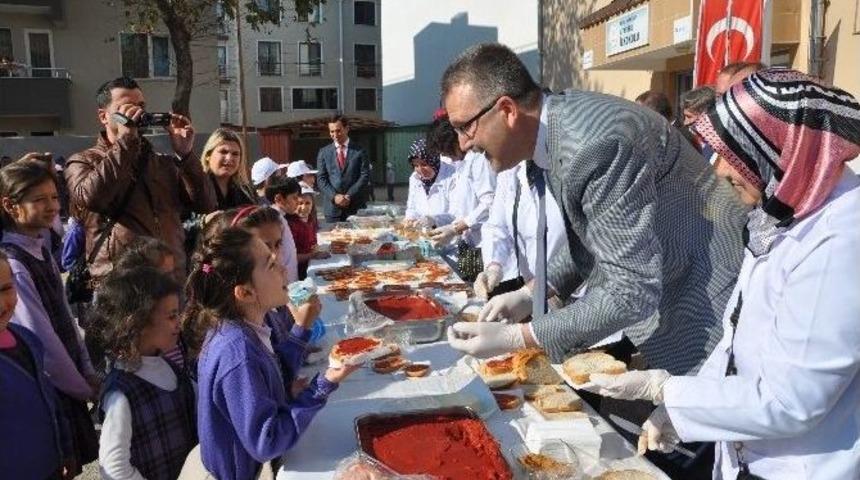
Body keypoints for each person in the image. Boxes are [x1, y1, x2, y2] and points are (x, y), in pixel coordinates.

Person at [586, 68, 860, 479]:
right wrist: (679, 411)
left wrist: (665, 389)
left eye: (735, 153)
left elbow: (790, 401)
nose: (720, 170)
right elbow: (734, 340)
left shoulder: (840, 237)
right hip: (743, 453)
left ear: (784, 149)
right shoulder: (780, 214)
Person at [442, 43, 746, 378]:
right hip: (675, 292)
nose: (463, 145)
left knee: (704, 423)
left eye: (464, 127)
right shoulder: (553, 133)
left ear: (507, 110)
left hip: (708, 303)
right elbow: (592, 234)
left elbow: (632, 290)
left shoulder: (594, 145)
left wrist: (521, 337)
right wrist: (531, 293)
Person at [192, 227, 358, 479]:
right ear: (245, 293)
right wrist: (322, 386)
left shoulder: (247, 326)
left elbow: (272, 371)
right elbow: (266, 442)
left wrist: (301, 331)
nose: (282, 265)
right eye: (270, 264)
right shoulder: (238, 353)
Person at [0, 159, 99, 474]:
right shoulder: (13, 263)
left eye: (54, 197)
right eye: (39, 199)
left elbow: (65, 323)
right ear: (10, 205)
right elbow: (43, 340)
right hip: (50, 390)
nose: (52, 206)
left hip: (68, 382)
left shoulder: (40, 249)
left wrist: (86, 368)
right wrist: (83, 387)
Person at [64, 76, 215, 283]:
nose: (137, 113)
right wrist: (126, 140)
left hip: (172, 277)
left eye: (141, 106)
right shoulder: (83, 162)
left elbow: (205, 203)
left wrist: (186, 155)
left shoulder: (161, 163)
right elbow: (93, 198)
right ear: (104, 117)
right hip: (122, 283)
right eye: (127, 107)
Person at [96, 266, 197, 480]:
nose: (179, 323)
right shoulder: (121, 393)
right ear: (138, 323)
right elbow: (114, 468)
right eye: (171, 316)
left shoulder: (172, 370)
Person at [0, 250, 74, 480]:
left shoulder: (27, 339)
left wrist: (66, 450)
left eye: (5, 289)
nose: (1, 303)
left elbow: (50, 401)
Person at [476, 160, 567, 300]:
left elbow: (584, 244)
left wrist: (529, 293)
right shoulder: (510, 172)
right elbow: (497, 225)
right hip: (534, 290)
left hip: (575, 296)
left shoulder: (566, 163)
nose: (465, 147)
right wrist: (494, 266)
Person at [425, 111, 496, 281]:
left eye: (445, 150)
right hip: (468, 245)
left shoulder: (477, 160)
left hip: (484, 246)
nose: (446, 156)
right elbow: (459, 210)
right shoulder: (461, 165)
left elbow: (489, 203)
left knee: (481, 293)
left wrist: (457, 228)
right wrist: (434, 220)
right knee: (466, 289)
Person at [316, 115, 371, 222]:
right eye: (332, 131)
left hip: (355, 208)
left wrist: (349, 195)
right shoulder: (324, 152)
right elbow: (321, 179)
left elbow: (365, 176)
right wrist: (335, 196)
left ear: (347, 129)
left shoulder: (360, 151)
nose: (335, 135)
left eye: (338, 130)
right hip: (332, 210)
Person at [403, 138, 456, 230]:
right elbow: (412, 207)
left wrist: (434, 220)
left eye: (424, 164)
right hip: (423, 235)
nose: (420, 170)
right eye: (416, 166)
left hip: (449, 236)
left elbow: (457, 213)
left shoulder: (452, 176)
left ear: (433, 160)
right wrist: (410, 218)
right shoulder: (414, 178)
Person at [201, 128, 256, 210]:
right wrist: (204, 221)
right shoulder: (197, 187)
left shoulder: (247, 192)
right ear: (208, 156)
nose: (229, 158)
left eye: (235, 154)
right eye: (223, 152)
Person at [265, 175, 301, 283]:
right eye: (294, 197)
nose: (298, 201)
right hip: (283, 284)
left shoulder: (281, 218)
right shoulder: (273, 221)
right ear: (279, 199)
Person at [286, 187, 326, 279]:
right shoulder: (291, 225)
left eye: (307, 203)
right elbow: (291, 257)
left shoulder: (311, 220)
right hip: (298, 272)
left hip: (310, 264)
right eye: (300, 203)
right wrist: (313, 255)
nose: (304, 207)